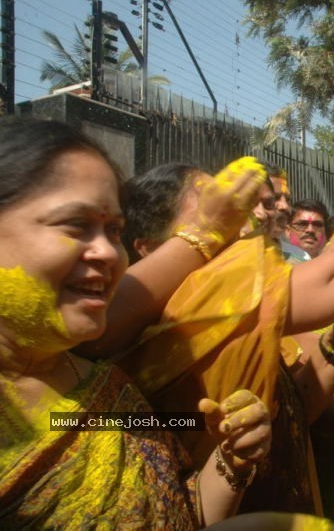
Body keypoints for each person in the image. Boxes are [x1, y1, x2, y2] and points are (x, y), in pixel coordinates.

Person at [114, 158, 334, 517]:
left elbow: (295, 415)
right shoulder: (183, 312)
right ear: (149, 249)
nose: (240, 215)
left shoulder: (236, 302)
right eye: (217, 206)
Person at [0, 118, 271, 528]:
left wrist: (230, 461)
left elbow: (179, 510)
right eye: (76, 225)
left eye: (114, 231)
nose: (109, 253)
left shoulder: (106, 388)